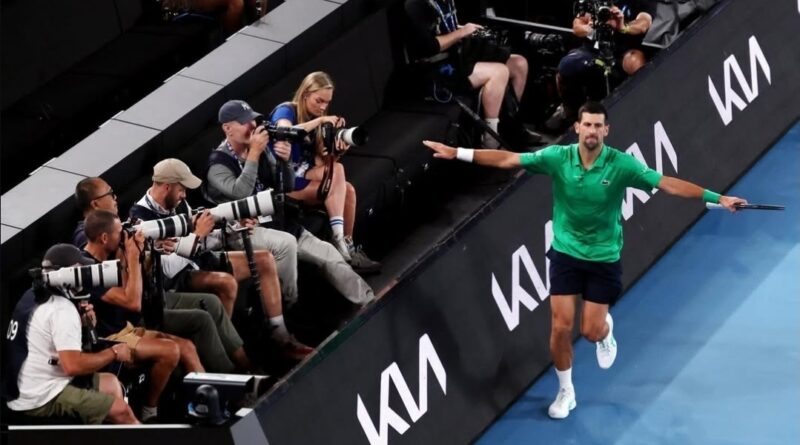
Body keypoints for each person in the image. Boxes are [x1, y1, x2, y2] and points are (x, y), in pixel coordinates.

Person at [422, 101, 747, 419]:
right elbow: (509, 159)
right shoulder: (557, 158)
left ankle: (604, 332)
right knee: (560, 327)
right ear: (577, 127)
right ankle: (566, 391)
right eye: (587, 124)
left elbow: (667, 184)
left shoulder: (622, 165)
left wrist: (718, 198)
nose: (592, 130)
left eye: (597, 126)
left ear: (606, 130)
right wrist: (458, 152)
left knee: (589, 331)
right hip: (566, 253)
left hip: (604, 258)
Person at [129, 158, 313, 359]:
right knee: (226, 283)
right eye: (181, 189)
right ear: (167, 187)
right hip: (173, 280)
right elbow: (169, 269)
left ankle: (281, 336)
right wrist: (198, 236)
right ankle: (221, 349)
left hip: (197, 260)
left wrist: (232, 229)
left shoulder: (178, 204)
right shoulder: (141, 221)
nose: (184, 194)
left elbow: (202, 243)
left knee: (265, 260)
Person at [73, 177, 262, 370]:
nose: (115, 198)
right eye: (110, 193)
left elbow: (130, 271)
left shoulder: (110, 227)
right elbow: (131, 297)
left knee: (214, 300)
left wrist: (150, 250)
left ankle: (241, 367)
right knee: (199, 323)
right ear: (95, 204)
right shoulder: (87, 238)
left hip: (151, 296)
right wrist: (133, 255)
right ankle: (231, 375)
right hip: (133, 315)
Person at [205, 99, 375, 307]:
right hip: (246, 231)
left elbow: (287, 185)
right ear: (227, 128)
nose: (252, 126)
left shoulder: (262, 149)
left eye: (252, 121)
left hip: (277, 220)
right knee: (287, 246)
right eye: (244, 122)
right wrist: (254, 154)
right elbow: (241, 192)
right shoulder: (218, 164)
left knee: (329, 253)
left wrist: (285, 162)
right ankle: (286, 306)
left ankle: (368, 300)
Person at [82, 209, 204, 422]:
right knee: (170, 351)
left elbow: (130, 285)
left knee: (187, 347)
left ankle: (211, 402)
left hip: (125, 329)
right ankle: (150, 411)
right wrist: (132, 256)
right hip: (109, 339)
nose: (123, 235)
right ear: (104, 238)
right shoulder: (87, 269)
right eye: (119, 232)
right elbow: (133, 302)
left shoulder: (109, 255)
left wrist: (131, 255)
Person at [5, 244, 138, 424]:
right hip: (39, 397)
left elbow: (51, 339)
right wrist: (114, 353)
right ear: (67, 274)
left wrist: (82, 325)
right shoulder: (62, 309)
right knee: (122, 411)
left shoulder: (33, 294)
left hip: (27, 385)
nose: (84, 276)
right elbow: (73, 366)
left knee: (111, 383)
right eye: (80, 270)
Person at [269, 74, 381, 273]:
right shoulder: (286, 110)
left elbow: (325, 165)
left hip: (304, 174)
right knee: (339, 173)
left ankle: (348, 245)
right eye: (318, 101)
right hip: (282, 182)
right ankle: (340, 243)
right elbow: (285, 132)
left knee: (348, 189)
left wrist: (338, 150)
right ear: (305, 94)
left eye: (326, 103)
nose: (322, 107)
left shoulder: (319, 120)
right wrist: (321, 120)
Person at [404, 0, 541, 148]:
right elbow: (427, 47)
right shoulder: (416, 5)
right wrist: (461, 32)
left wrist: (467, 30)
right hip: (437, 68)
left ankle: (512, 126)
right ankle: (490, 139)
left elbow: (445, 28)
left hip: (459, 56)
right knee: (499, 71)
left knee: (519, 64)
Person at [550, 0, 656, 128]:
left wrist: (623, 27)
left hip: (622, 52)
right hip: (593, 50)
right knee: (566, 65)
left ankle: (642, 111)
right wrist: (590, 28)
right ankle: (571, 114)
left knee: (635, 61)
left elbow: (643, 24)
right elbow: (577, 26)